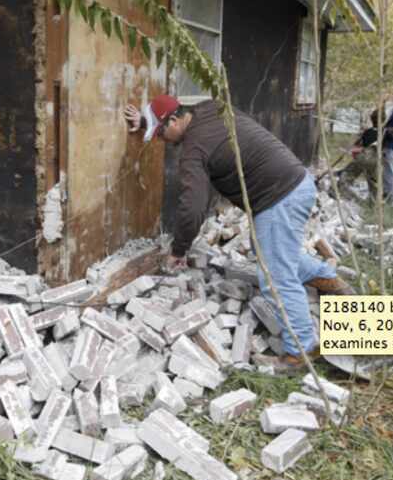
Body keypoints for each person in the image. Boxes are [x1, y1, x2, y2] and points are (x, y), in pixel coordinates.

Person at [124, 95, 354, 370]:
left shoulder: (193, 150)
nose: (162, 139)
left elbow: (192, 207)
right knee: (270, 254)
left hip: (278, 197)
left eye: (161, 132)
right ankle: (331, 283)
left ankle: (299, 353)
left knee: (275, 276)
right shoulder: (211, 108)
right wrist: (145, 121)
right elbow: (176, 106)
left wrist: (179, 250)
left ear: (175, 120)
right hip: (295, 181)